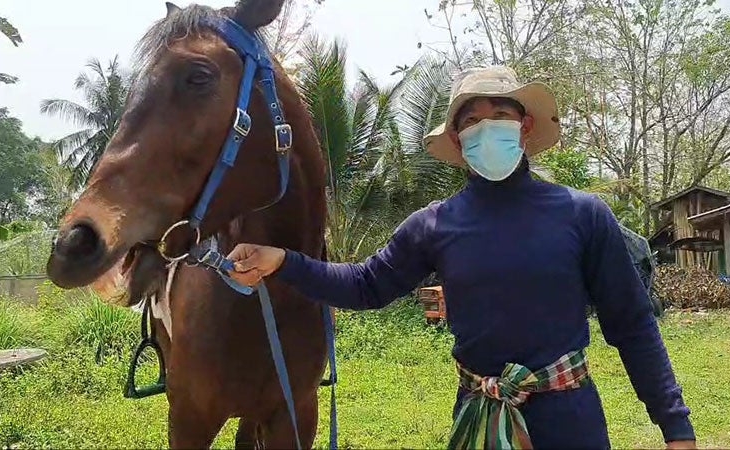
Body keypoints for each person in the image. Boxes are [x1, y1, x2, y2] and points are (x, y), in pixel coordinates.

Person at [227, 66, 696, 449]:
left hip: (569, 423)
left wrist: (676, 427)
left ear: (524, 125)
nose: (485, 126)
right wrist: (283, 261)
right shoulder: (434, 225)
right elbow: (366, 284)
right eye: (471, 120)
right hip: (479, 421)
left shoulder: (582, 215)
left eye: (499, 113)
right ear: (456, 139)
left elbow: (632, 324)